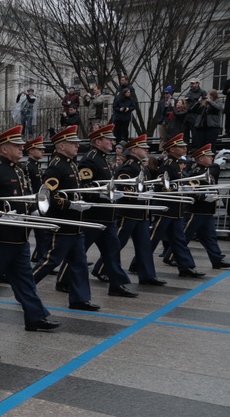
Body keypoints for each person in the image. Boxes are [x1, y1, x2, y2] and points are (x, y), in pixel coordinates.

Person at [0, 126, 60, 332]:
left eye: (21, 145)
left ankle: (35, 316)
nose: (22, 148)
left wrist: (33, 210)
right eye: (16, 145)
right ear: (4, 149)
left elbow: (23, 198)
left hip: (19, 235)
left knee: (25, 280)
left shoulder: (19, 170)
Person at [31, 125, 99, 311]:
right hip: (61, 223)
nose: (77, 145)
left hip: (75, 224)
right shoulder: (56, 166)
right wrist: (70, 204)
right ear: (61, 146)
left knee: (79, 263)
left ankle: (79, 299)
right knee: (50, 261)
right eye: (72, 143)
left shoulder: (71, 164)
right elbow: (47, 195)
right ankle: (25, 287)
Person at [76, 124, 137, 298]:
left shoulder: (103, 159)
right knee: (79, 251)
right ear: (98, 142)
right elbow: (85, 187)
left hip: (108, 215)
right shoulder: (90, 159)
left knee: (113, 250)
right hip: (94, 215)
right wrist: (102, 194)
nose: (112, 142)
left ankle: (116, 284)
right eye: (108, 139)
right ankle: (64, 280)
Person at [143, 134, 205, 278]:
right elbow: (160, 186)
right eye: (181, 147)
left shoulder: (176, 164)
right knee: (153, 239)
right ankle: (137, 263)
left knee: (179, 240)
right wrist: (178, 189)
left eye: (184, 146)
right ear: (172, 149)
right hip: (165, 208)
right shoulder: (168, 165)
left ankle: (186, 266)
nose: (184, 148)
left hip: (175, 209)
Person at [107, 135, 166, 286]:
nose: (147, 150)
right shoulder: (129, 166)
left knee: (144, 246)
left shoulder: (142, 167)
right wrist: (138, 195)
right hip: (129, 212)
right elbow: (122, 186)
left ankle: (147, 275)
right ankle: (102, 269)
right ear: (134, 150)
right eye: (143, 147)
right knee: (118, 243)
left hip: (141, 212)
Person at [183, 144, 228, 269]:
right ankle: (170, 256)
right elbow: (191, 189)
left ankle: (216, 259)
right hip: (196, 211)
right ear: (201, 159)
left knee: (210, 237)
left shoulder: (206, 172)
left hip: (207, 211)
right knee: (185, 236)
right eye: (209, 156)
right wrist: (204, 197)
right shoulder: (197, 172)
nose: (211, 158)